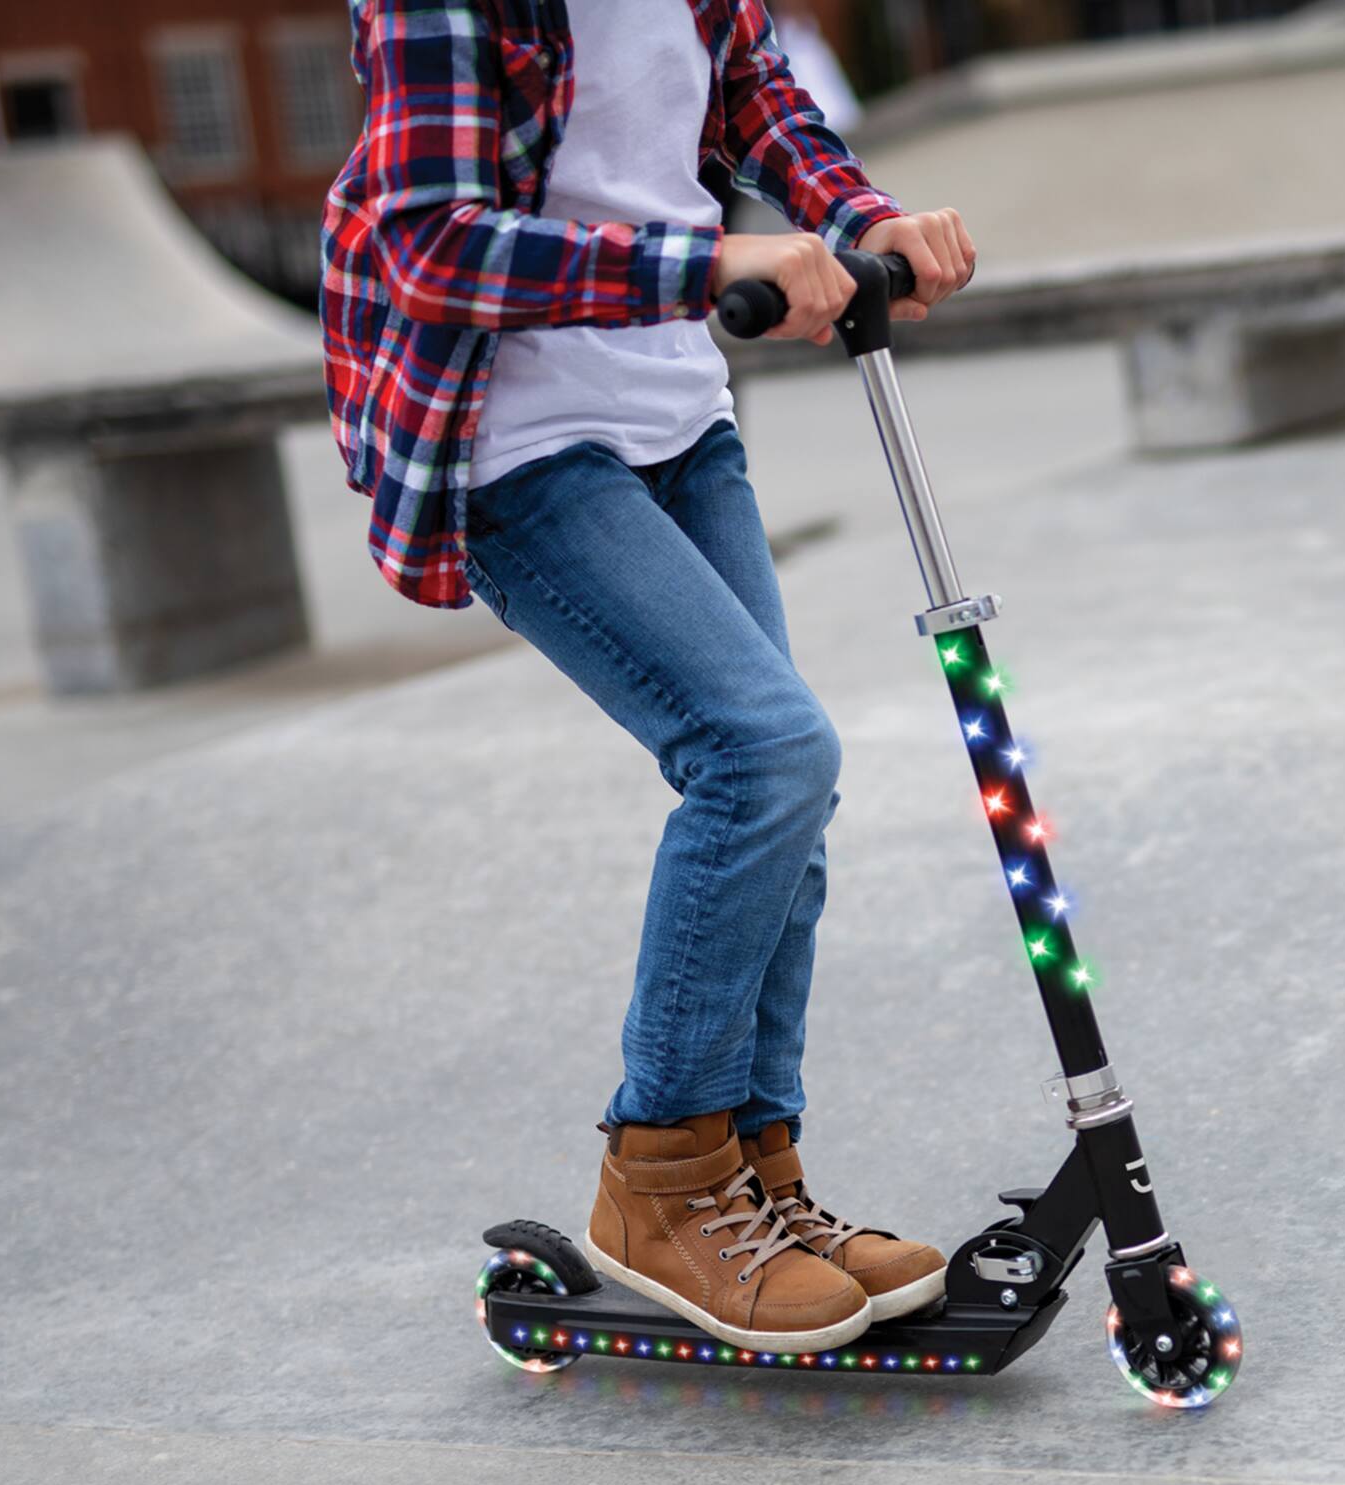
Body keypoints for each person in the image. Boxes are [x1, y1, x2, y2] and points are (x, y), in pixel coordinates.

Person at [323, 1, 976, 1355]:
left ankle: (756, 1183)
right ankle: (661, 1184)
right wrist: (707, 264)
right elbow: (428, 244)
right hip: (514, 433)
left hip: (678, 413)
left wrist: (861, 214)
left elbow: (753, 98)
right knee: (764, 755)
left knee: (787, 804)